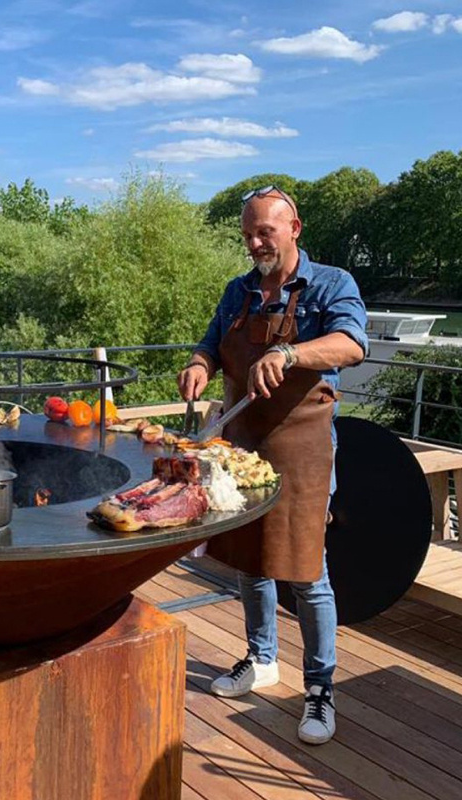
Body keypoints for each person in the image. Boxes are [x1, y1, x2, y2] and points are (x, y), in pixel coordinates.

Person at [177, 185, 368, 745]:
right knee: (249, 560)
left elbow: (351, 344)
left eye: (265, 231)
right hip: (241, 443)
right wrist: (198, 364)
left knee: (307, 571)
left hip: (304, 447)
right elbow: (212, 344)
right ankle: (261, 660)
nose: (255, 242)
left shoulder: (332, 284)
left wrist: (289, 352)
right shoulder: (238, 291)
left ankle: (320, 687)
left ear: (294, 228)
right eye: (247, 234)